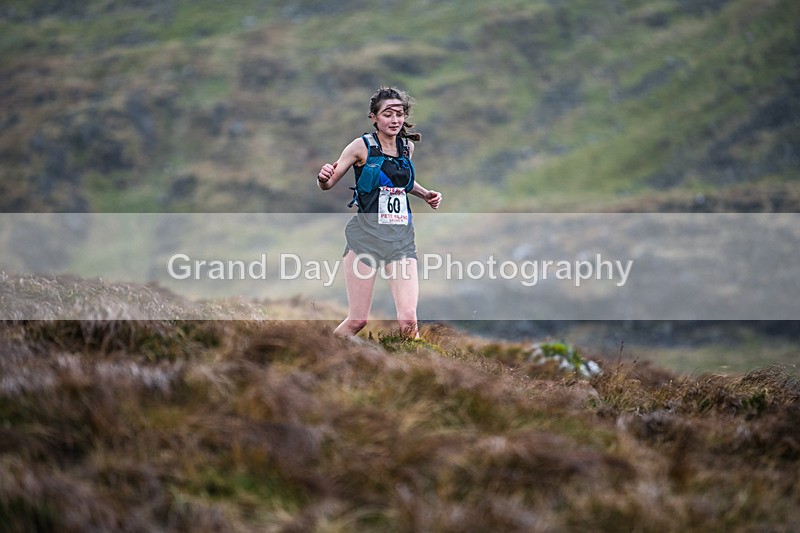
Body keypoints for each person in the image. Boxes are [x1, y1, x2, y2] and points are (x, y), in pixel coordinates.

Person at [317, 87, 442, 338]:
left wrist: (425, 193)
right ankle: (320, 354)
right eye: (388, 114)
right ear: (374, 117)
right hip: (365, 239)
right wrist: (323, 178)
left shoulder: (407, 148)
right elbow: (329, 183)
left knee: (408, 320)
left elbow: (399, 183)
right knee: (358, 320)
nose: (395, 120)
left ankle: (417, 371)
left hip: (400, 241)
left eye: (399, 114)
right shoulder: (360, 147)